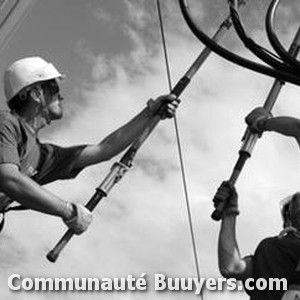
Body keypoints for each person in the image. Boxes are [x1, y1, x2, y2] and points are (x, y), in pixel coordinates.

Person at [0, 56, 180, 235]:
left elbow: (104, 150)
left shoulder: (41, 155)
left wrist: (150, 113)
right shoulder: (5, 123)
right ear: (35, 94)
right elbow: (9, 178)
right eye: (53, 88)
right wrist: (67, 211)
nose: (60, 95)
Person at [212, 107, 300, 299]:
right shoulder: (273, 250)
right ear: (290, 220)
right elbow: (231, 267)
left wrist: (262, 123)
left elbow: (231, 267)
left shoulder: (273, 250)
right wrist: (230, 213)